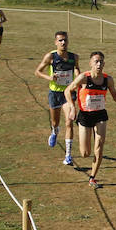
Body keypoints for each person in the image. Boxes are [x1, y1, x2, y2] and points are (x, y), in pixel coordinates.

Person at [64, 52, 116, 188]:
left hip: (100, 115)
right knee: (85, 153)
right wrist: (72, 108)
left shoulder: (108, 79)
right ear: (90, 63)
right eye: (96, 61)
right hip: (85, 115)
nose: (99, 64)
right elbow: (68, 91)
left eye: (101, 62)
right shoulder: (83, 78)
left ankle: (92, 177)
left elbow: (115, 97)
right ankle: (86, 156)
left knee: (99, 147)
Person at [34, 31, 80, 163]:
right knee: (55, 122)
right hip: (54, 93)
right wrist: (49, 77)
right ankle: (54, 132)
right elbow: (37, 72)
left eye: (65, 40)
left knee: (69, 122)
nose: (63, 42)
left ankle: (68, 155)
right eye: (60, 40)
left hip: (68, 93)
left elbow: (76, 68)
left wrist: (78, 77)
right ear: (56, 42)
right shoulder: (50, 57)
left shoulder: (74, 57)